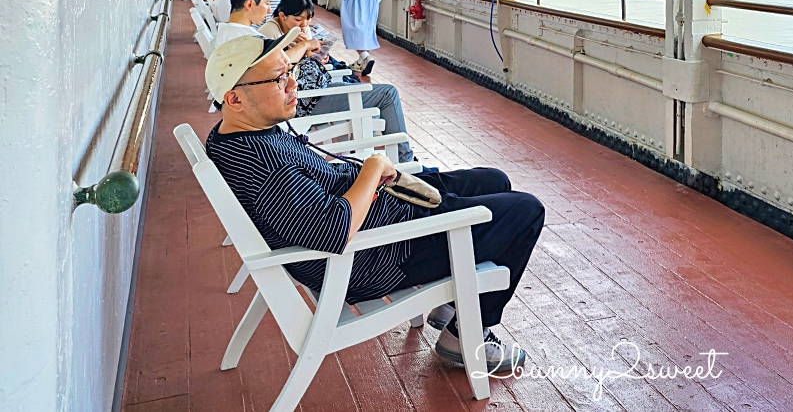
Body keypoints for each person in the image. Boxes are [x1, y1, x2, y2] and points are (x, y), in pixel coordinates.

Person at [203, 36, 542, 373]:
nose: (293, 82)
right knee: (526, 210)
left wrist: (370, 178)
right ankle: (463, 337)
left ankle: (454, 306)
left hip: (379, 214)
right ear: (234, 99)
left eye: (289, 71)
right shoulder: (264, 165)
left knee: (493, 179)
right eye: (279, 79)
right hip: (379, 254)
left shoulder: (234, 135)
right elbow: (331, 230)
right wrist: (373, 168)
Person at [260, 0, 412, 154]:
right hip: (308, 99)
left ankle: (367, 153)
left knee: (369, 98)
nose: (304, 25)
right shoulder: (270, 33)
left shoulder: (294, 29)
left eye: (308, 19)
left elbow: (305, 57)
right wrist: (303, 47)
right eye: (298, 20)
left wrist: (315, 56)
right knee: (388, 94)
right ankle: (404, 156)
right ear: (282, 16)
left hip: (318, 88)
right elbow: (273, 65)